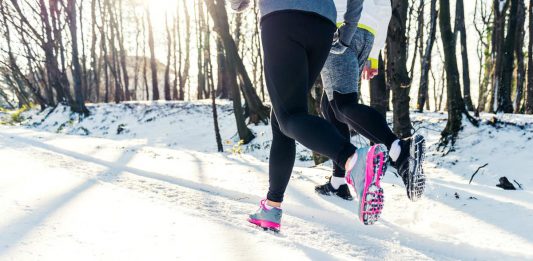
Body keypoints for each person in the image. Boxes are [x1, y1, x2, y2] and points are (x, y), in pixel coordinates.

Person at [228, 0, 388, 232]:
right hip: (323, 25)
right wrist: (348, 30)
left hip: (282, 18)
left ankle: (354, 160)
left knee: (289, 115)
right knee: (282, 117)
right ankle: (272, 207)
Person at [314, 0, 427, 203]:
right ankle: (338, 182)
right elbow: (384, 9)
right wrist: (373, 53)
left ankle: (400, 151)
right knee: (330, 106)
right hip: (365, 34)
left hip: (340, 28)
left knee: (341, 105)